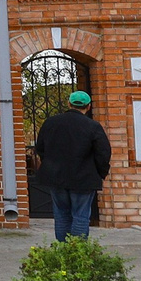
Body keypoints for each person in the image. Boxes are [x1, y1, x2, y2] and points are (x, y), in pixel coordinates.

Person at [28, 89, 111, 241]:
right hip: (83, 179)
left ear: (69, 104)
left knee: (61, 216)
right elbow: (103, 153)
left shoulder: (51, 123)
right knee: (80, 216)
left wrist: (51, 164)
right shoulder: (92, 126)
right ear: (88, 106)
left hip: (56, 177)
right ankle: (77, 253)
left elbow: (40, 148)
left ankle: (63, 251)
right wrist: (101, 172)